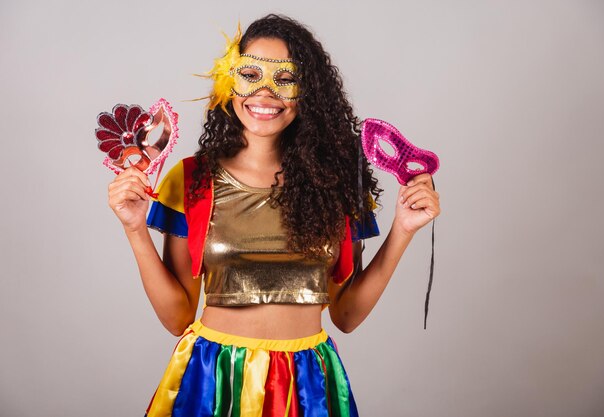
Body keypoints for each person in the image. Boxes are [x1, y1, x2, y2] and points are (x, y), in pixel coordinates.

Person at [108, 14, 441, 417]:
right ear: (229, 83)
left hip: (308, 385)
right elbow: (178, 317)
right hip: (215, 379)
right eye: (250, 74)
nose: (266, 92)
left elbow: (347, 315)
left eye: (284, 79)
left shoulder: (335, 183)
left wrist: (403, 229)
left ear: (308, 93)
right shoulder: (193, 180)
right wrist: (134, 229)